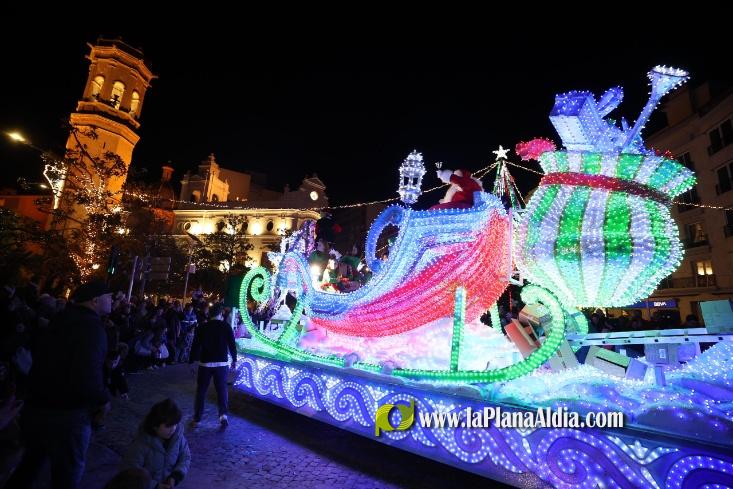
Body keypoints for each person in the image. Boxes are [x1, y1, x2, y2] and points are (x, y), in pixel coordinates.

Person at [7, 280, 112, 489]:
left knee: (30, 466)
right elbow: (88, 374)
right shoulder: (91, 329)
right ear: (95, 300)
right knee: (66, 474)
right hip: (69, 413)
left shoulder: (60, 319)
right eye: (108, 297)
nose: (112, 300)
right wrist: (103, 399)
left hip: (38, 405)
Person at [120, 398, 190, 489]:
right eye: (168, 426)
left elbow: (185, 457)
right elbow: (130, 472)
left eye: (175, 424)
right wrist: (155, 485)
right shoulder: (140, 444)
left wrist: (175, 476)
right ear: (155, 425)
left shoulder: (178, 438)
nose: (173, 429)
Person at [188, 303, 236, 428]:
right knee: (222, 390)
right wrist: (234, 359)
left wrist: (191, 361)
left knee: (201, 391)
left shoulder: (203, 327)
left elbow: (195, 345)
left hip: (205, 363)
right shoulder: (226, 326)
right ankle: (223, 416)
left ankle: (197, 418)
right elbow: (232, 344)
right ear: (220, 314)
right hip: (221, 363)